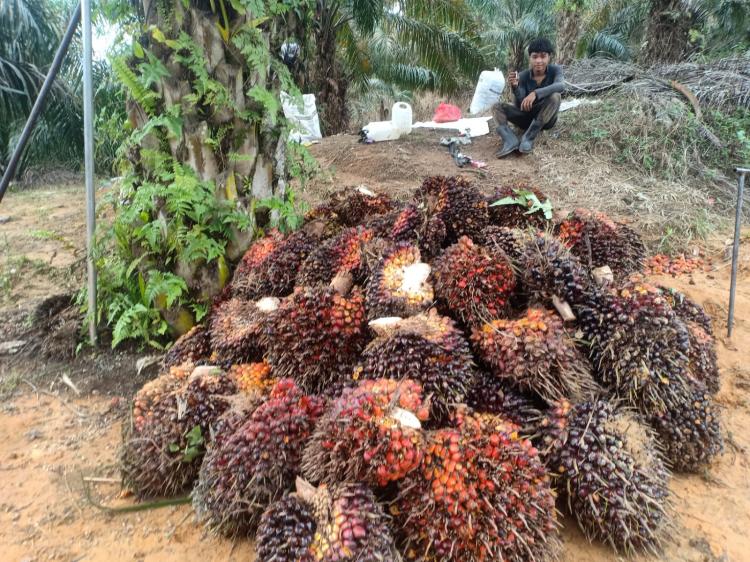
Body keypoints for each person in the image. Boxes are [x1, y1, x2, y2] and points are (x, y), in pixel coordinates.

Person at [493, 38, 563, 158]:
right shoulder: (523, 76)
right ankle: (510, 140)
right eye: (535, 57)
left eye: (543, 56)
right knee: (497, 107)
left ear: (549, 57)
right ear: (529, 58)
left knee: (555, 96)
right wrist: (515, 87)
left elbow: (561, 85)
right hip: (526, 118)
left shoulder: (555, 70)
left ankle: (529, 137)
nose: (539, 61)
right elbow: (521, 102)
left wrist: (535, 93)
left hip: (546, 120)